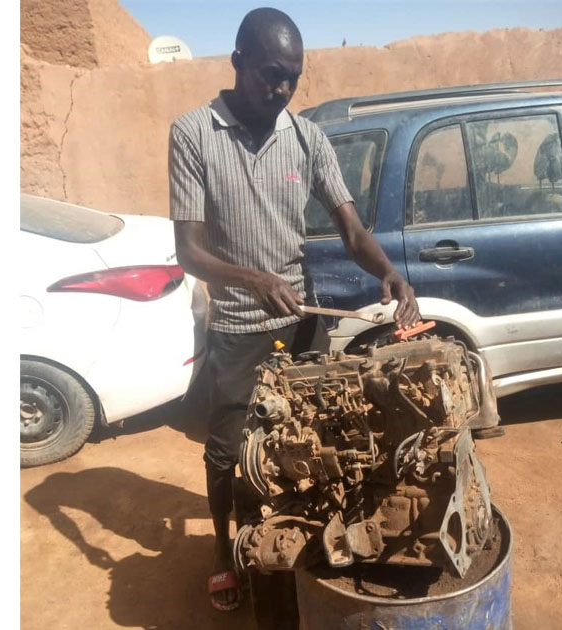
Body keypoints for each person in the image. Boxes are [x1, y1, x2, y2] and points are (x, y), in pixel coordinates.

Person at [168, 6, 421, 617]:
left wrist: (386, 269)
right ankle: (225, 551)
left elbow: (351, 227)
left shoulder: (306, 137)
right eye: (269, 74)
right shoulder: (194, 132)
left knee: (303, 445)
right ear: (237, 62)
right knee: (227, 454)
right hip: (235, 326)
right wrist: (250, 279)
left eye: (292, 79)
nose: (281, 89)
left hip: (297, 322)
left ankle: (290, 542)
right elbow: (189, 249)